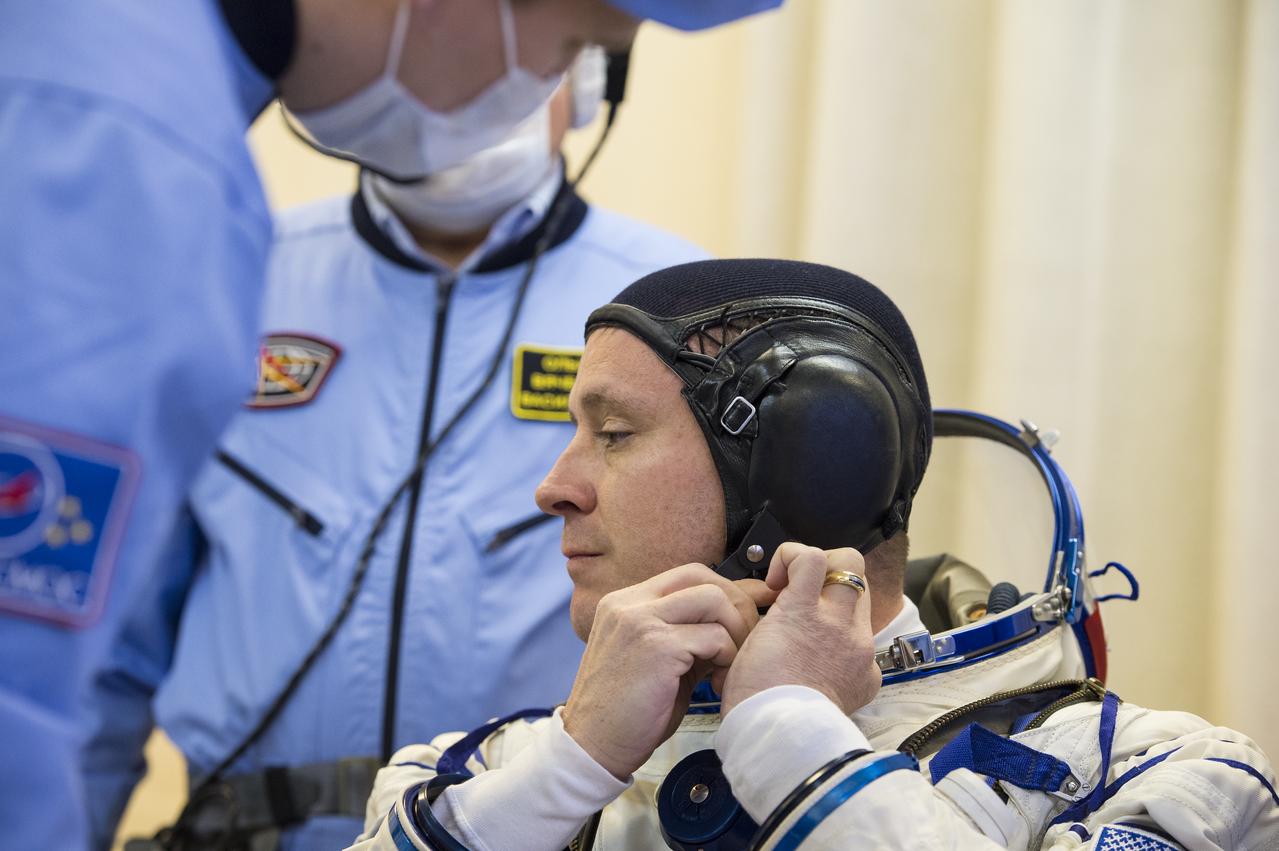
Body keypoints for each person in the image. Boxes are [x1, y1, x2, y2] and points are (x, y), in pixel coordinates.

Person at [0, 0, 781, 845]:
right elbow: (85, 635)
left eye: (567, 54)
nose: (496, 103)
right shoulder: (245, 258)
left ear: (590, 87)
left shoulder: (672, 311)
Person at [347, 259, 1278, 850]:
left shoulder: (1164, 778)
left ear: (812, 462)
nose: (554, 486)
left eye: (615, 434)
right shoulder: (470, 779)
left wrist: (792, 737)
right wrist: (569, 770)